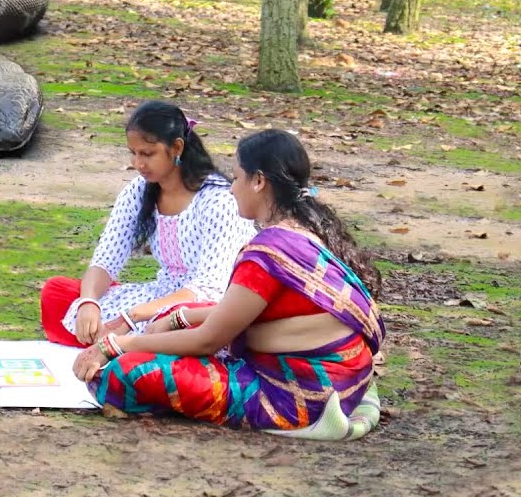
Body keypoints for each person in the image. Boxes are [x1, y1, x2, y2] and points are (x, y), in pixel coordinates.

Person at [73, 129, 385, 438]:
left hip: (297, 395)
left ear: (258, 181)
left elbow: (207, 341)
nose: (232, 189)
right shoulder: (302, 232)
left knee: (123, 374)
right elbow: (243, 311)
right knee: (177, 315)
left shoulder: (267, 253)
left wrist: (115, 345)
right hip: (345, 378)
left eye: (236, 178)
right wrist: (179, 317)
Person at [40, 101, 256, 346]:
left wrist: (132, 316)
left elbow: (208, 289)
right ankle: (125, 344)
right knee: (57, 293)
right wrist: (88, 302)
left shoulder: (218, 200)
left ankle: (128, 344)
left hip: (200, 309)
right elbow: (106, 260)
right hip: (157, 297)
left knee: (179, 327)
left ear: (177, 148)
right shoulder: (139, 190)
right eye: (133, 153)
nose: (138, 164)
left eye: (147, 154)